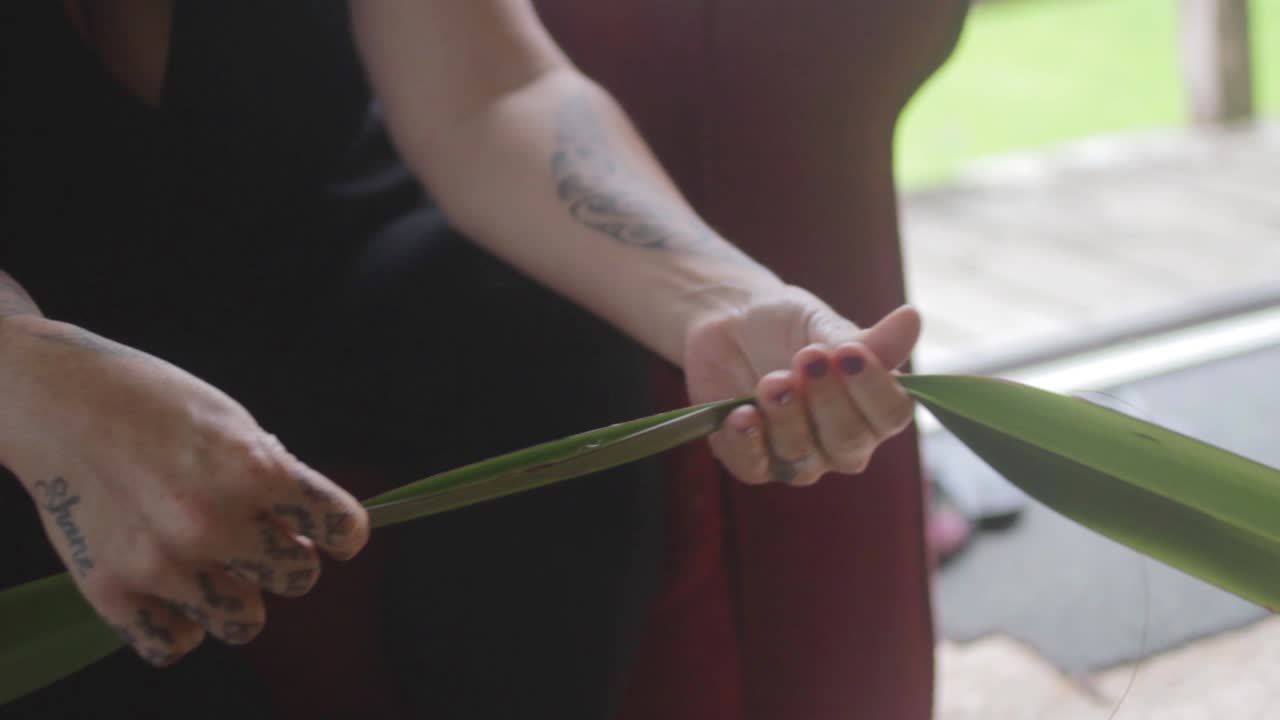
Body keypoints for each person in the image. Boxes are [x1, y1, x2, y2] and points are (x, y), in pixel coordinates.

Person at [0, 1, 921, 717]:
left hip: (319, 252)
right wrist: (43, 389)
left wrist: (723, 301)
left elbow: (494, 95)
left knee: (531, 325)